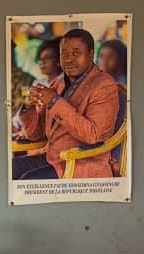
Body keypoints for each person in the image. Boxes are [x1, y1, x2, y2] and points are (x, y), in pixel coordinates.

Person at [15, 29, 121, 179]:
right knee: (7, 170)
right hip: (51, 158)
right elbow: (36, 135)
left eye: (76, 53)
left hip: (82, 164)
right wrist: (29, 107)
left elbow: (94, 135)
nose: (68, 59)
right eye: (64, 54)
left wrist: (54, 101)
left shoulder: (104, 85)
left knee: (26, 181)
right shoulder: (58, 83)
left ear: (90, 54)